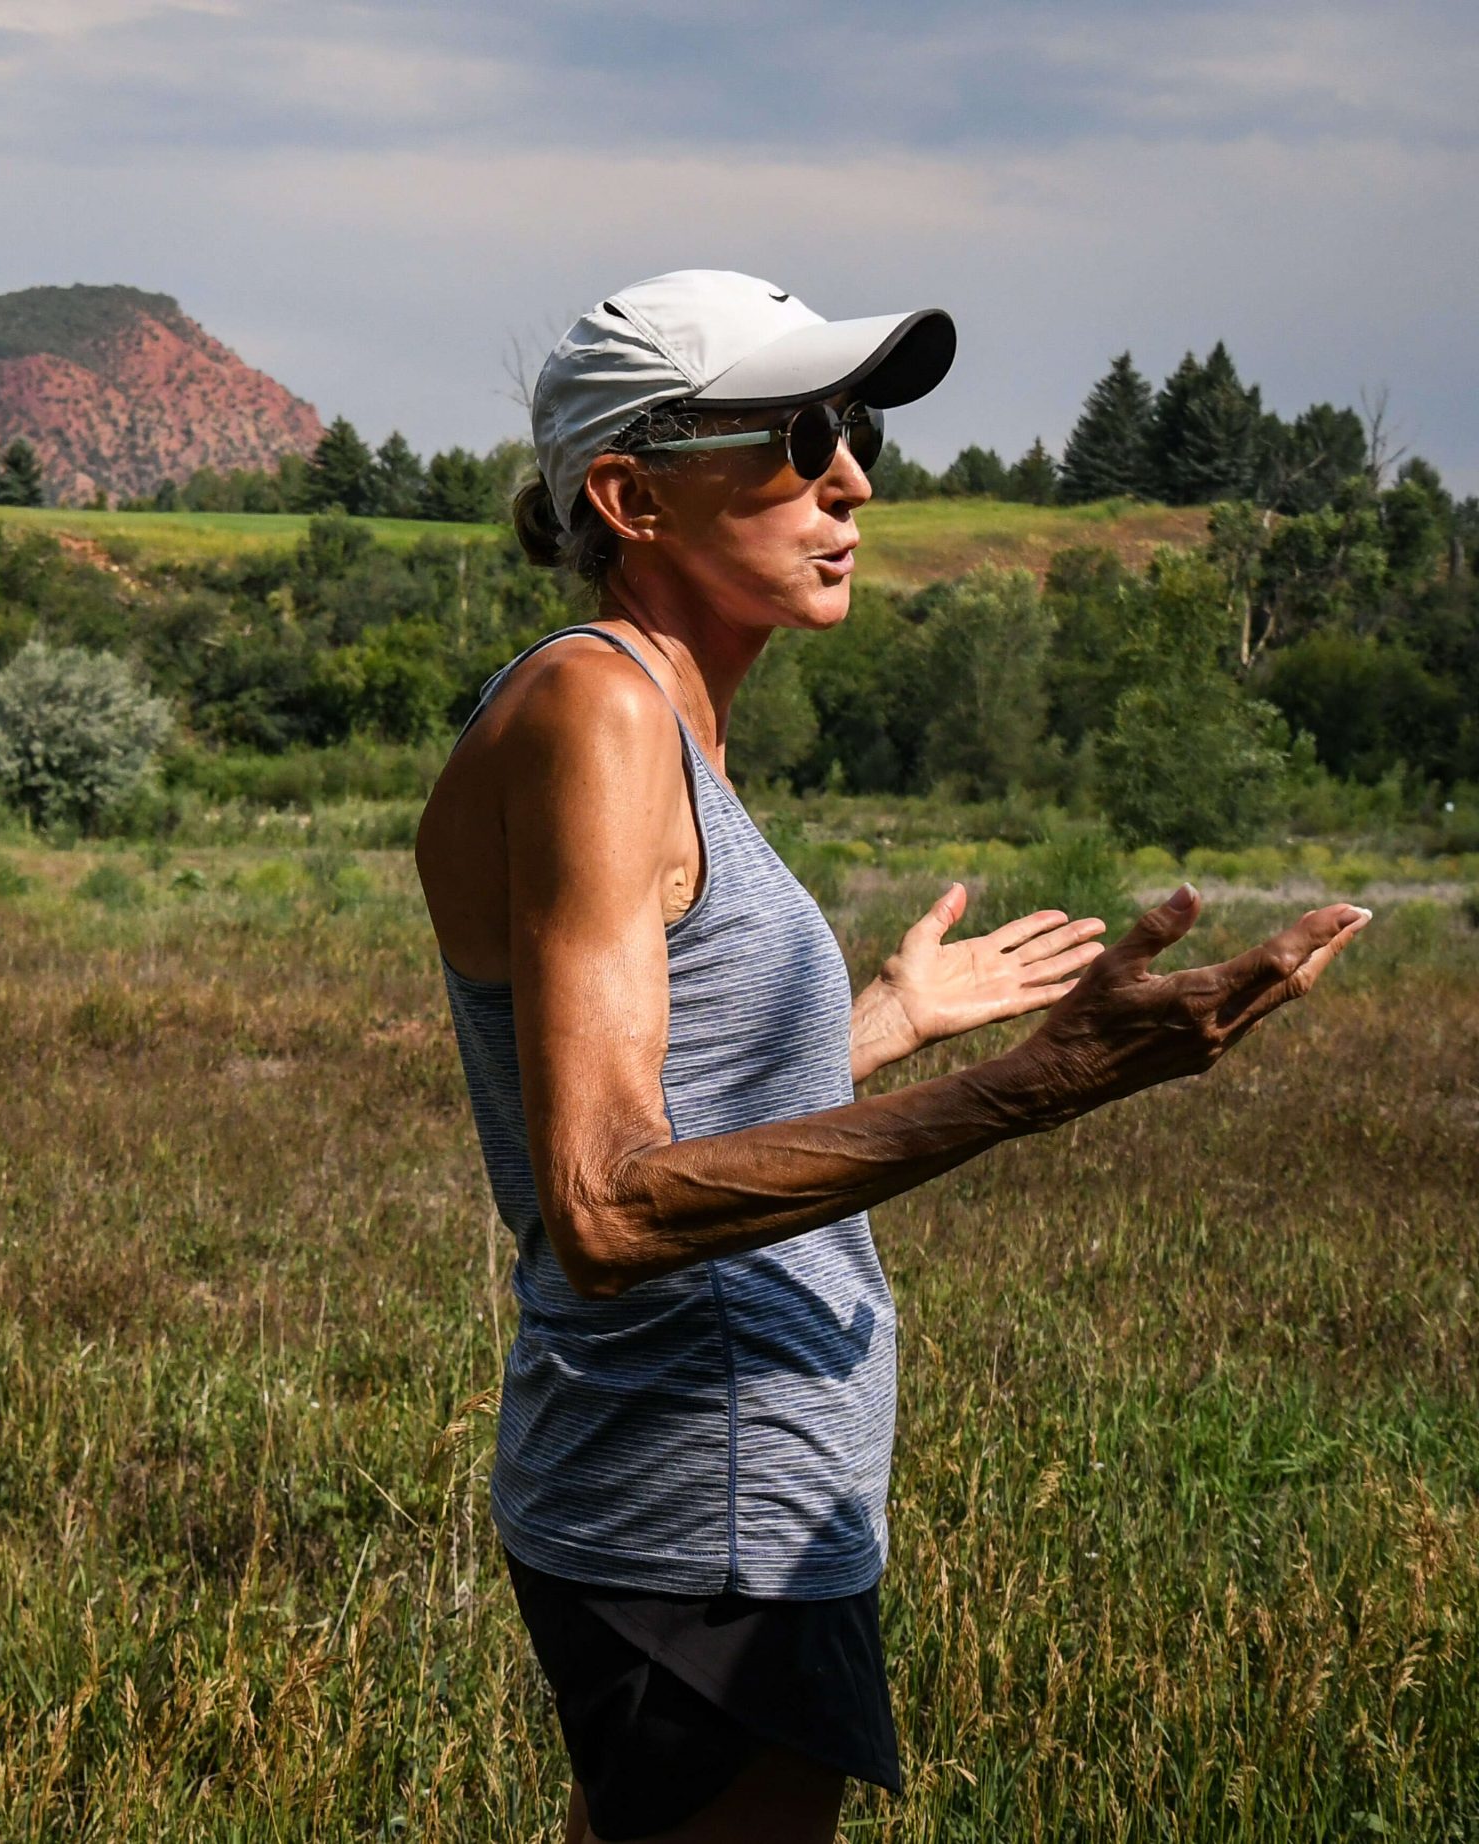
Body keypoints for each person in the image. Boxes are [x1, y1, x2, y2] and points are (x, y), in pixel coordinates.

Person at [414, 270, 1370, 1844]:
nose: (854, 478)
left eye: (855, 430)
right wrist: (1037, 1087)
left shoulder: (653, 720)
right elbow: (605, 1207)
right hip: (705, 1499)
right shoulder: (599, 710)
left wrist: (881, 1023)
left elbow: (678, 1099)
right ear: (631, 496)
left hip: (701, 1488)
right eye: (799, 438)